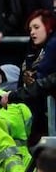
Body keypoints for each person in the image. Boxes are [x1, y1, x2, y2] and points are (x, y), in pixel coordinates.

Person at [19, 9, 56, 145]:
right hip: (32, 108)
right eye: (30, 29)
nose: (32, 32)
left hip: (44, 112)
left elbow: (43, 80)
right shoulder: (32, 50)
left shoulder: (52, 47)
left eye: (36, 27)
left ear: (49, 26)